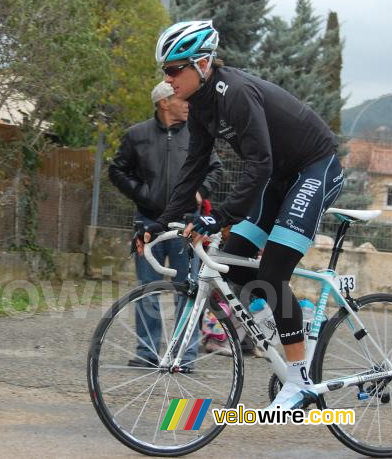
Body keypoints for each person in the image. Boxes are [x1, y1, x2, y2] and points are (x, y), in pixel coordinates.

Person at [143, 20, 343, 409]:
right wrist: (162, 219)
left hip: (314, 167)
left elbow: (260, 164)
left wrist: (219, 216)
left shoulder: (234, 92)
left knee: (272, 273)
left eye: (172, 70)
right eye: (164, 72)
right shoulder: (201, 105)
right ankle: (283, 324)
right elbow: (194, 166)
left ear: (201, 63)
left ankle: (300, 380)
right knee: (233, 263)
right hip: (281, 175)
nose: (168, 81)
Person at [109, 81, 222, 371]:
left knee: (188, 290)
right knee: (148, 289)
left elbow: (216, 168)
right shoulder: (137, 135)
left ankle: (183, 358)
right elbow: (117, 169)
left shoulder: (199, 132)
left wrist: (200, 192)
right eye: (181, 99)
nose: (188, 104)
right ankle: (147, 353)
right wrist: (144, 194)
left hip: (187, 225)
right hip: (149, 223)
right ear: (163, 102)